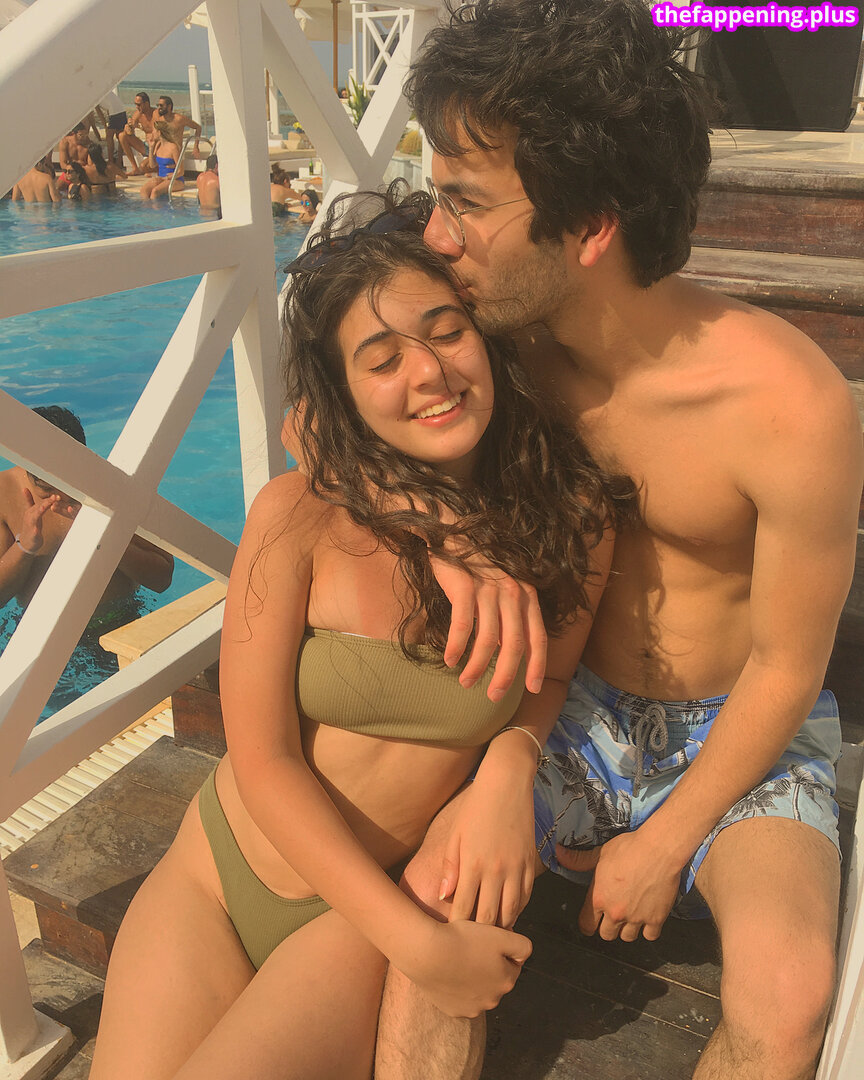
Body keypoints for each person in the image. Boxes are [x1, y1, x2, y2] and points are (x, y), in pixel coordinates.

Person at [373, 4, 864, 1080]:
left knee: (788, 1003)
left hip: (740, 733)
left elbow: (789, 666)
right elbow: (322, 418)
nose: (437, 236)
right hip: (570, 712)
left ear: (591, 223)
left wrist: (666, 840)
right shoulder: (501, 346)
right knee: (430, 921)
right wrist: (440, 527)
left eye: (466, 201)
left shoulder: (788, 406)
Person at [88, 184, 634, 1080]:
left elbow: (550, 678)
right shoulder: (298, 515)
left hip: (354, 915)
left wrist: (508, 769)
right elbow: (261, 756)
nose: (428, 374)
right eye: (381, 360)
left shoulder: (569, 521)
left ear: (486, 336)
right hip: (212, 872)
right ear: (345, 391)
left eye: (447, 333)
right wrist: (420, 949)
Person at [0, 406, 174, 613]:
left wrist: (104, 536)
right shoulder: (4, 493)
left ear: (83, 460)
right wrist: (24, 547)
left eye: (69, 483)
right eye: (46, 489)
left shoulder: (112, 484)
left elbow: (162, 579)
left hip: (121, 617)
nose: (60, 497)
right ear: (23, 464)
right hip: (36, 625)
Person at [154, 94, 202, 160]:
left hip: (176, 156)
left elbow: (198, 127)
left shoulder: (179, 119)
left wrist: (196, 147)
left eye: (161, 105)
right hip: (163, 154)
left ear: (169, 106)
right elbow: (159, 138)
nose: (159, 108)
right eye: (158, 105)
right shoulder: (159, 119)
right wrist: (154, 150)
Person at [140, 130, 184, 200]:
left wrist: (165, 178)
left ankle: (156, 207)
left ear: (159, 132)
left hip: (175, 180)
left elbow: (181, 171)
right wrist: (151, 148)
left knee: (155, 191)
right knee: (144, 190)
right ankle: (147, 207)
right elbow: (152, 165)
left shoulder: (173, 147)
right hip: (161, 178)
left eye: (154, 131)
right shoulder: (158, 145)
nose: (152, 133)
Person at [121, 91, 156, 175]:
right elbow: (129, 133)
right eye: (135, 104)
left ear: (146, 104)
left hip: (156, 148)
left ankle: (153, 170)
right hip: (146, 146)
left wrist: (140, 127)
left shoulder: (156, 114)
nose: (137, 107)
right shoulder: (138, 114)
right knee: (122, 136)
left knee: (143, 166)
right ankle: (135, 168)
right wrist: (129, 127)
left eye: (139, 105)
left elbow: (160, 133)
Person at [95, 89, 129, 168]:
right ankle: (119, 160)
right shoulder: (102, 90)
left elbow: (99, 113)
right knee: (120, 136)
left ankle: (110, 161)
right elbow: (109, 105)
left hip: (114, 111)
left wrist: (105, 126)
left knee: (109, 136)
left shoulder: (94, 96)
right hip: (122, 109)